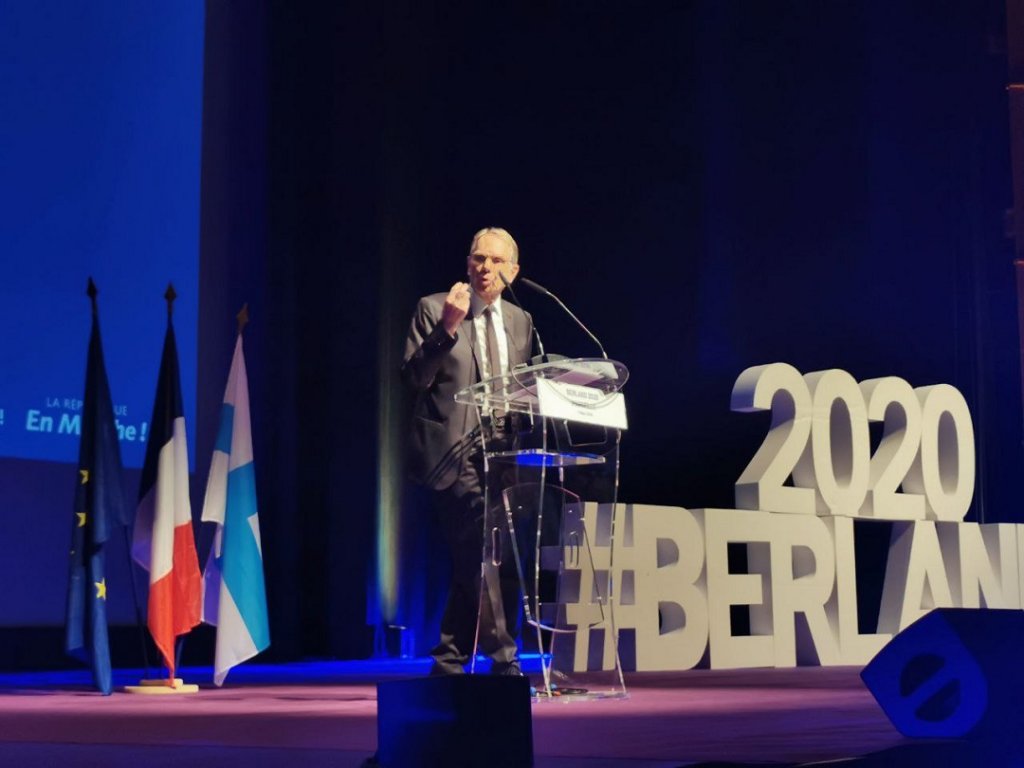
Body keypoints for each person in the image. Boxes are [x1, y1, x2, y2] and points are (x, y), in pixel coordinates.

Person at [402, 227, 535, 676]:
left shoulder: (522, 321)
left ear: (513, 271)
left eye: (497, 262)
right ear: (467, 263)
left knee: (483, 558)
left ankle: (449, 660)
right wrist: (448, 328)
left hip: (503, 456)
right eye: (478, 258)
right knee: (479, 549)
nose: (485, 269)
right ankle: (504, 659)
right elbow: (414, 379)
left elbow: (524, 386)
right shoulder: (435, 309)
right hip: (452, 454)